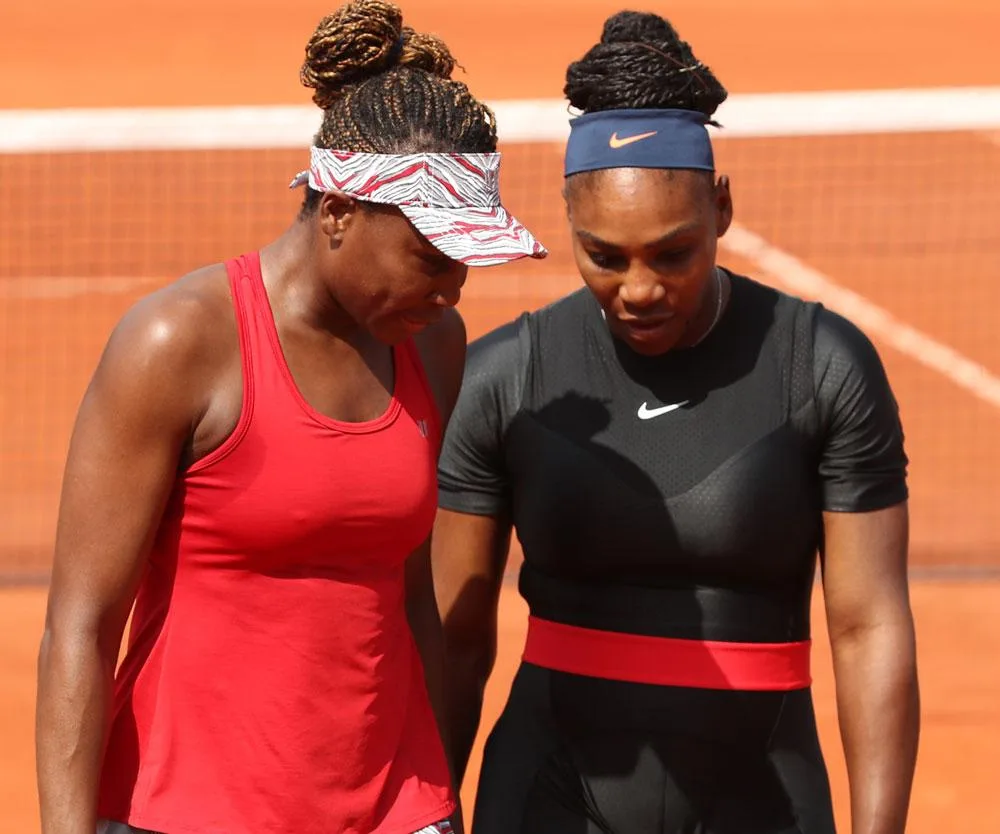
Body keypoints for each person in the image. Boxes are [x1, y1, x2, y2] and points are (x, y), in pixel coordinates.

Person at [34, 2, 545, 833]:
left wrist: (439, 800)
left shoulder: (433, 344)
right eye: (431, 256)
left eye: (465, 262)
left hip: (396, 808)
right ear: (338, 211)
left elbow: (409, 587)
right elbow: (79, 628)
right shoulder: (177, 343)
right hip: (188, 810)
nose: (452, 290)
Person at [432, 11, 918, 834]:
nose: (640, 289)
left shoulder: (824, 367)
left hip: (762, 799)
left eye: (673, 253)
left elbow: (869, 627)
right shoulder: (505, 378)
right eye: (604, 256)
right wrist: (430, 814)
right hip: (547, 795)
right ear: (568, 219)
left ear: (721, 208)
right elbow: (456, 640)